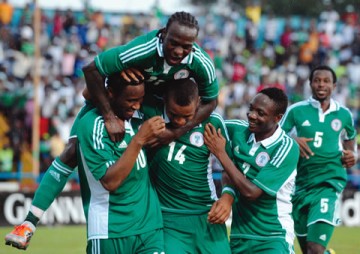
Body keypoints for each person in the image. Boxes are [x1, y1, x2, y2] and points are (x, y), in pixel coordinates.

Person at [5, 11, 219, 250]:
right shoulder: (140, 50)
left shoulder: (201, 62)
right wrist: (109, 115)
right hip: (120, 102)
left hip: (150, 107)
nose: (179, 51)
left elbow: (211, 100)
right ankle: (29, 223)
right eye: (174, 43)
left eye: (186, 46)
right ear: (162, 35)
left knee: (157, 148)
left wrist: (175, 132)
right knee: (74, 150)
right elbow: (91, 72)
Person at [204, 87, 300, 253]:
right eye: (251, 109)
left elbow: (252, 192)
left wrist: (220, 153)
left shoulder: (286, 147)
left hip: (272, 237)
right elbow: (203, 122)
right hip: (239, 237)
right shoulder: (237, 130)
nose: (252, 115)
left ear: (277, 118)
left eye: (260, 113)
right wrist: (228, 194)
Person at [142, 78, 231, 253]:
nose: (180, 122)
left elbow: (231, 167)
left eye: (187, 116)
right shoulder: (151, 114)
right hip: (167, 218)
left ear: (198, 103)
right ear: (165, 99)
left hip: (207, 215)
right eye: (174, 114)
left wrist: (227, 198)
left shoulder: (212, 122)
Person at [279, 65, 357, 254]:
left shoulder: (344, 114)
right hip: (300, 186)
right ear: (310, 84)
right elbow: (275, 137)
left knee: (315, 249)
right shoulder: (296, 111)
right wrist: (292, 140)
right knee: (308, 250)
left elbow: (350, 138)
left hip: (328, 184)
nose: (321, 85)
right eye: (317, 80)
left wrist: (351, 154)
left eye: (326, 81)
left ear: (334, 85)